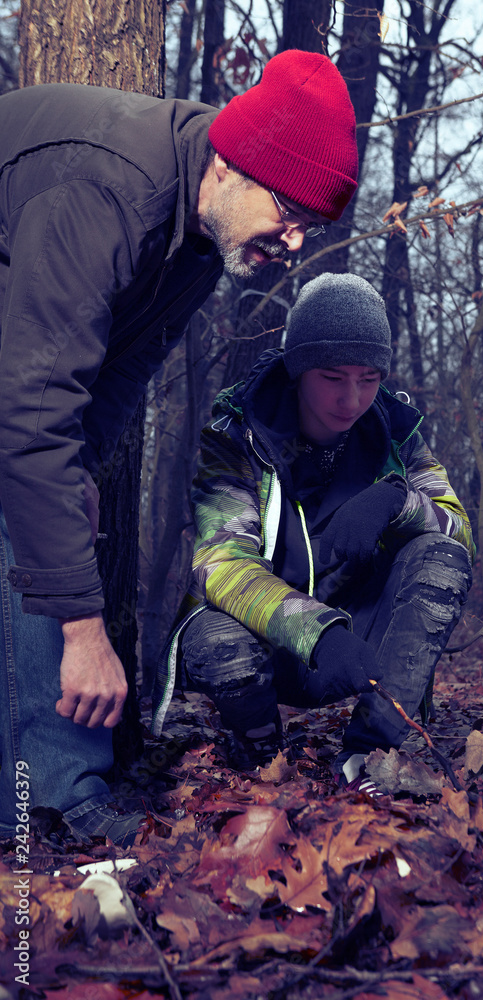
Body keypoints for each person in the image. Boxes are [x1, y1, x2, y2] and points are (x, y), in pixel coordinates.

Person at [0, 51, 359, 846]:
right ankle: (53, 800)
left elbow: (120, 368)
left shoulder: (204, 238)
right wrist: (84, 632)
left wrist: (83, 465)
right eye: (289, 211)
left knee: (51, 498)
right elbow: (28, 418)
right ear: (232, 166)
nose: (295, 243)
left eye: (313, 225)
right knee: (28, 510)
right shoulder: (105, 195)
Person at [152, 273, 474, 795]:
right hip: (271, 643)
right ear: (298, 370)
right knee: (217, 639)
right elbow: (221, 564)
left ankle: (369, 757)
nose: (352, 399)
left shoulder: (398, 432)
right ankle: (260, 758)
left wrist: (397, 501)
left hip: (361, 642)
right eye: (331, 376)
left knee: (443, 555)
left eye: (369, 378)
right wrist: (317, 632)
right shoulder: (236, 438)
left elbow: (458, 528)